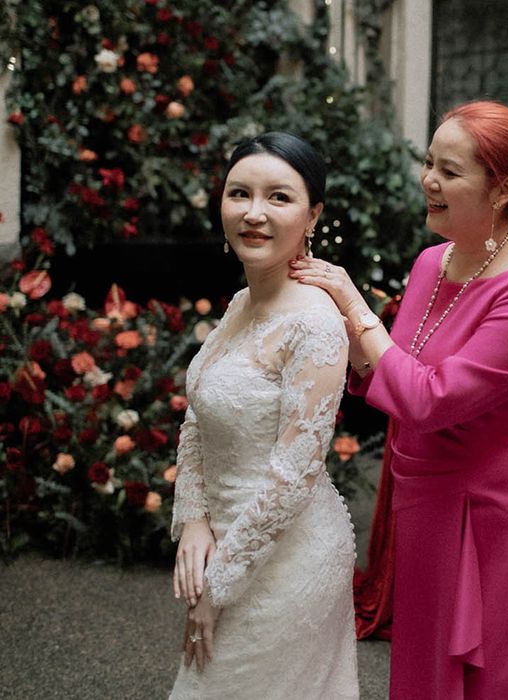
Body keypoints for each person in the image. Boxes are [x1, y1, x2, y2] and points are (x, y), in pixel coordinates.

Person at [290, 100, 508, 699]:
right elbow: (392, 365)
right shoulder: (430, 262)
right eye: (428, 162)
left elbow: (430, 398)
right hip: (425, 510)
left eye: (449, 171)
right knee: (423, 679)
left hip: (495, 523)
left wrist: (354, 303)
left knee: (495, 683)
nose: (428, 181)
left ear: (504, 188)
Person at [169, 132, 359, 699]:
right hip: (226, 534)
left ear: (312, 215)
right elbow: (198, 416)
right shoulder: (240, 303)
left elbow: (293, 477)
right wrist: (195, 518)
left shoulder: (315, 324)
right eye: (239, 194)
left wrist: (216, 589)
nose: (253, 213)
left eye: (278, 197)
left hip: (290, 560)